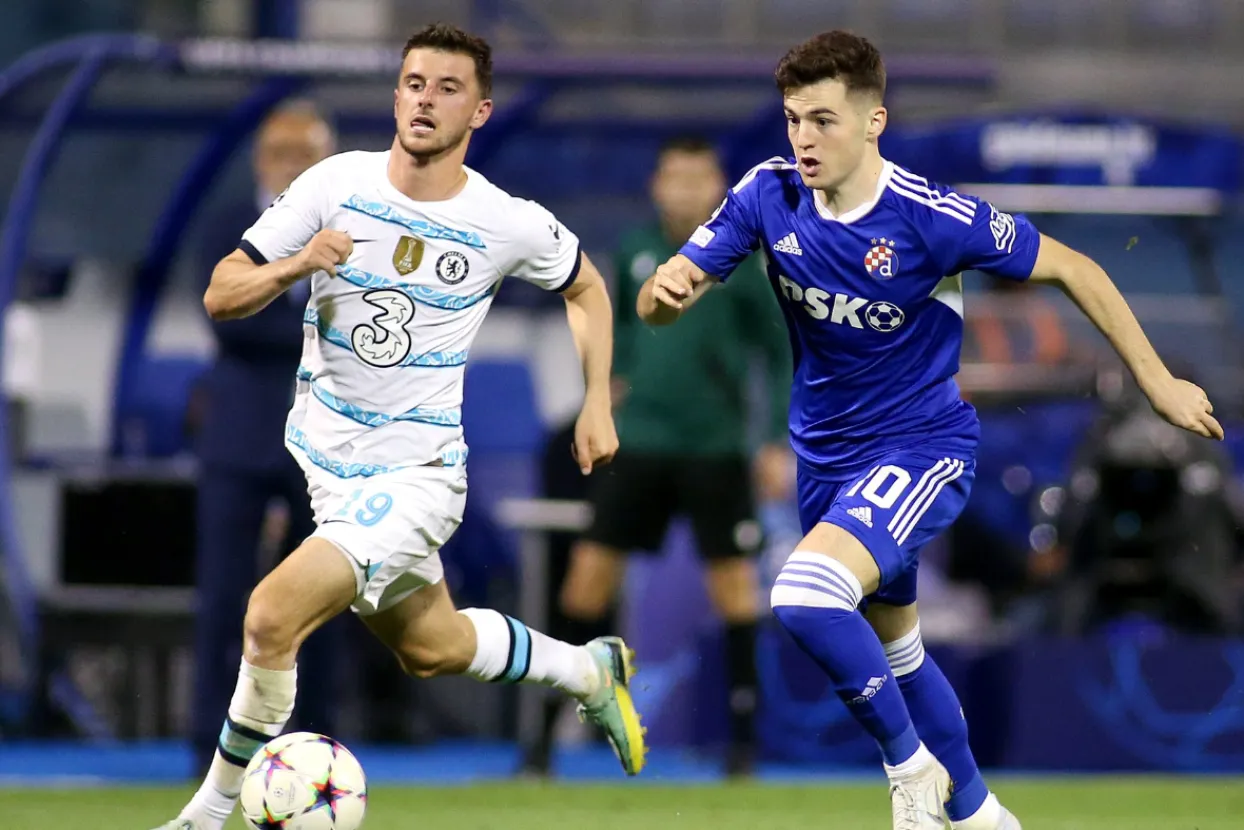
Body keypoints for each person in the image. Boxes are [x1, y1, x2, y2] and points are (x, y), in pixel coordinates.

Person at [640, 30, 1221, 830]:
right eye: (794, 120)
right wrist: (665, 290)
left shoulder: (931, 216)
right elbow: (662, 302)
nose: (804, 139)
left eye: (824, 120)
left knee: (804, 594)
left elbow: (1075, 267)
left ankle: (911, 771)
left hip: (920, 449)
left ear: (873, 120)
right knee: (900, 651)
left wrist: (1157, 382)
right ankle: (980, 814)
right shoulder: (767, 194)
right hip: (825, 462)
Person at [155, 23, 645, 830]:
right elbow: (221, 291)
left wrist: (596, 399)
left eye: (448, 88)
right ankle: (586, 671)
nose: (426, 100)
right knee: (432, 647)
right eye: (415, 84)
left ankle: (206, 815)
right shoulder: (333, 184)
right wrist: (298, 263)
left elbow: (587, 286)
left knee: (269, 615)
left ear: (480, 112)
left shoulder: (503, 220)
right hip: (328, 473)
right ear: (395, 97)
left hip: (417, 478)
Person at [522, 136, 792, 777]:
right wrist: (605, 390)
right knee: (586, 580)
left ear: (719, 188)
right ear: (657, 185)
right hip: (639, 443)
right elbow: (612, 329)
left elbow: (780, 351)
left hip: (716, 448)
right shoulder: (638, 250)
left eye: (699, 178)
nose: (686, 190)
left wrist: (774, 440)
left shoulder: (745, 262)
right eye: (676, 178)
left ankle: (743, 746)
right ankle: (540, 743)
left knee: (735, 590)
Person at [191, 101, 340, 776]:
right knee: (223, 597)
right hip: (240, 435)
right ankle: (209, 745)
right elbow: (230, 321)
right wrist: (313, 330)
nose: (291, 165)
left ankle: (318, 740)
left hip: (324, 442)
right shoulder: (229, 227)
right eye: (281, 152)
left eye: (306, 154)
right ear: (259, 159)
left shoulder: (351, 229)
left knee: (324, 598)